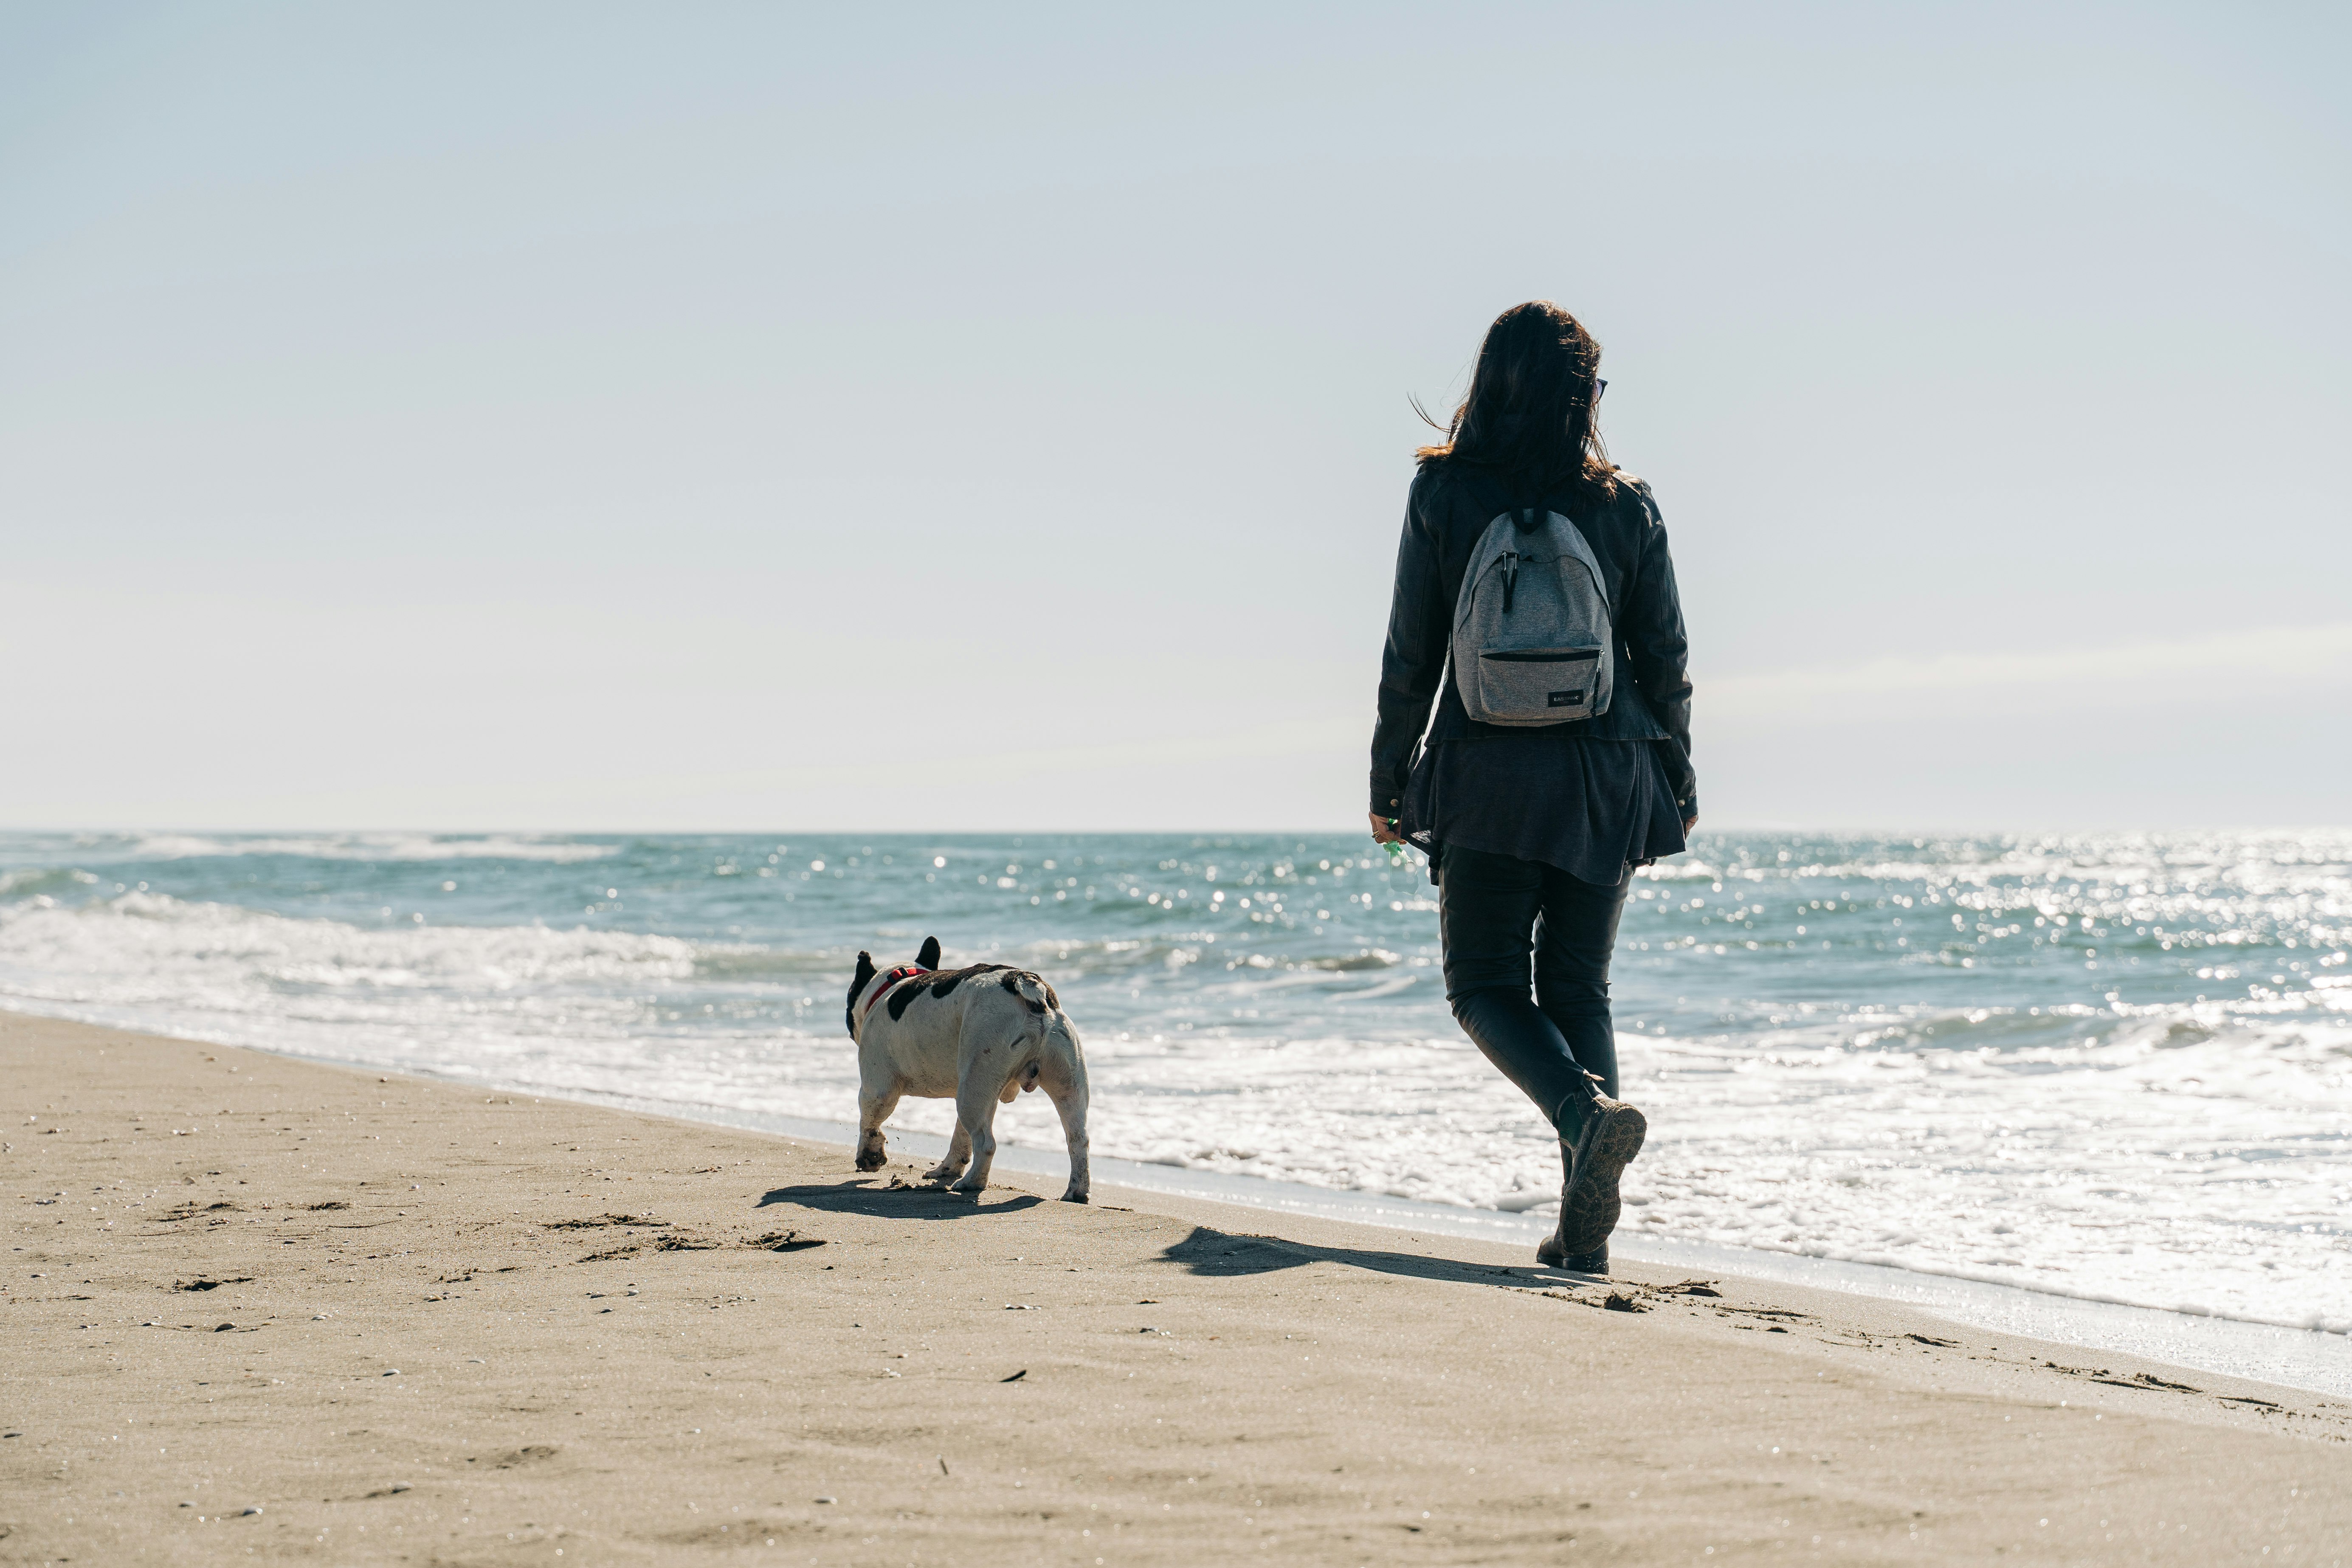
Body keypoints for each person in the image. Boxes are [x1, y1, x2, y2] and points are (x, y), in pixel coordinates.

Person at [1369, 300, 1696, 1273]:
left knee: (1481, 985)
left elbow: (1411, 651)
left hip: (1485, 771)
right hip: (1609, 769)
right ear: (1577, 397)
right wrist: (1674, 774)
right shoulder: (1626, 502)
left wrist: (1389, 778)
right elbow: (1665, 655)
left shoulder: (1443, 494)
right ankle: (1583, 1222)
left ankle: (1582, 1116)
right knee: (1576, 986)